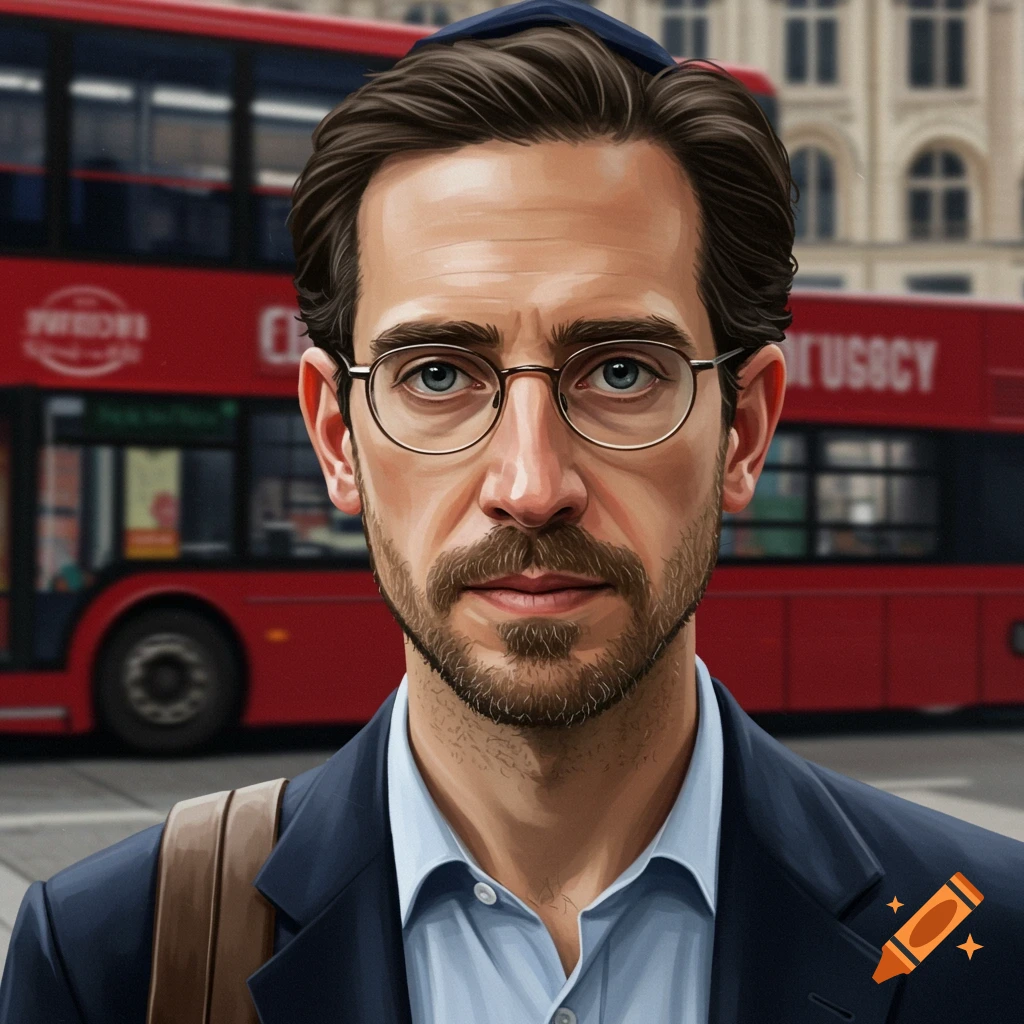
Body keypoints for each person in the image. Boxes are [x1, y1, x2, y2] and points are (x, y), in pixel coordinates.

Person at [2, 2, 1022, 1022]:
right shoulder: (101, 963)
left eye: (620, 371)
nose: (531, 486)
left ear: (743, 431)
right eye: (438, 374)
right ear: (337, 437)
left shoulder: (999, 945)